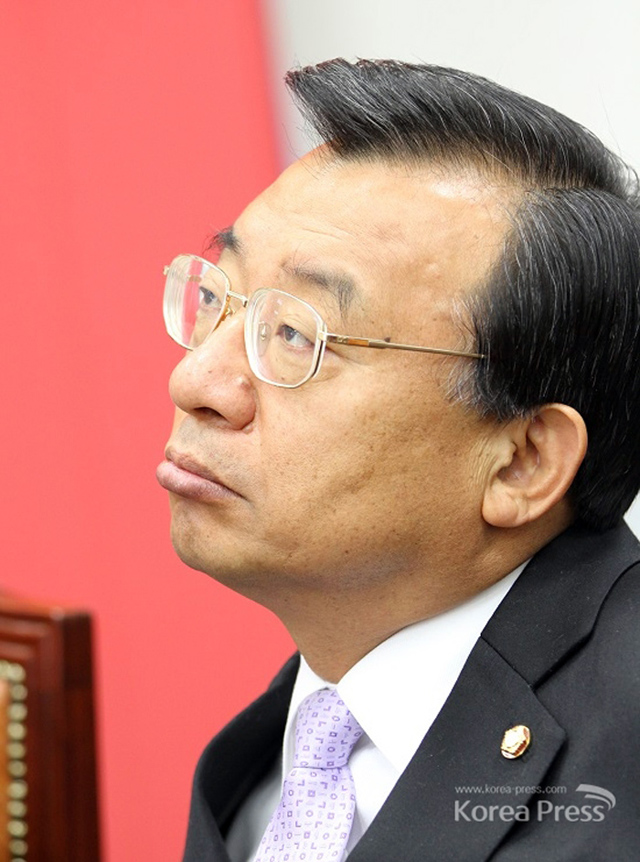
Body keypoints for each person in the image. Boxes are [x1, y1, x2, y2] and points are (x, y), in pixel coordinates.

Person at [156, 59, 640, 861]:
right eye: (219, 299)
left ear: (521, 462)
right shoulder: (278, 751)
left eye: (298, 336)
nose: (196, 382)